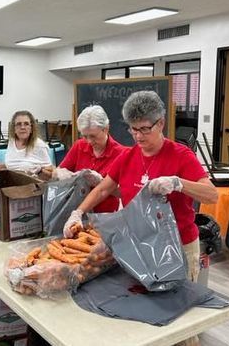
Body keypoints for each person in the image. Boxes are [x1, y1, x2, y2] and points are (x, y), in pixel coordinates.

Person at [64, 91, 217, 287]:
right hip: (140, 245)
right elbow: (103, 189)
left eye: (144, 129)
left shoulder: (181, 155)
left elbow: (212, 195)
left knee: (179, 305)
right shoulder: (128, 157)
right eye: (133, 129)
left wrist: (178, 183)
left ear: (160, 123)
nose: (138, 136)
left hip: (178, 246)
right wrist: (78, 213)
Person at [55, 105, 126, 212]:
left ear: (106, 129)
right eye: (84, 136)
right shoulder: (79, 146)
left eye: (93, 136)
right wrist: (60, 173)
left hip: (105, 215)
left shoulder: (122, 153)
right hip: (75, 210)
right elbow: (58, 171)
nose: (89, 141)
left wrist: (102, 183)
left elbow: (124, 193)